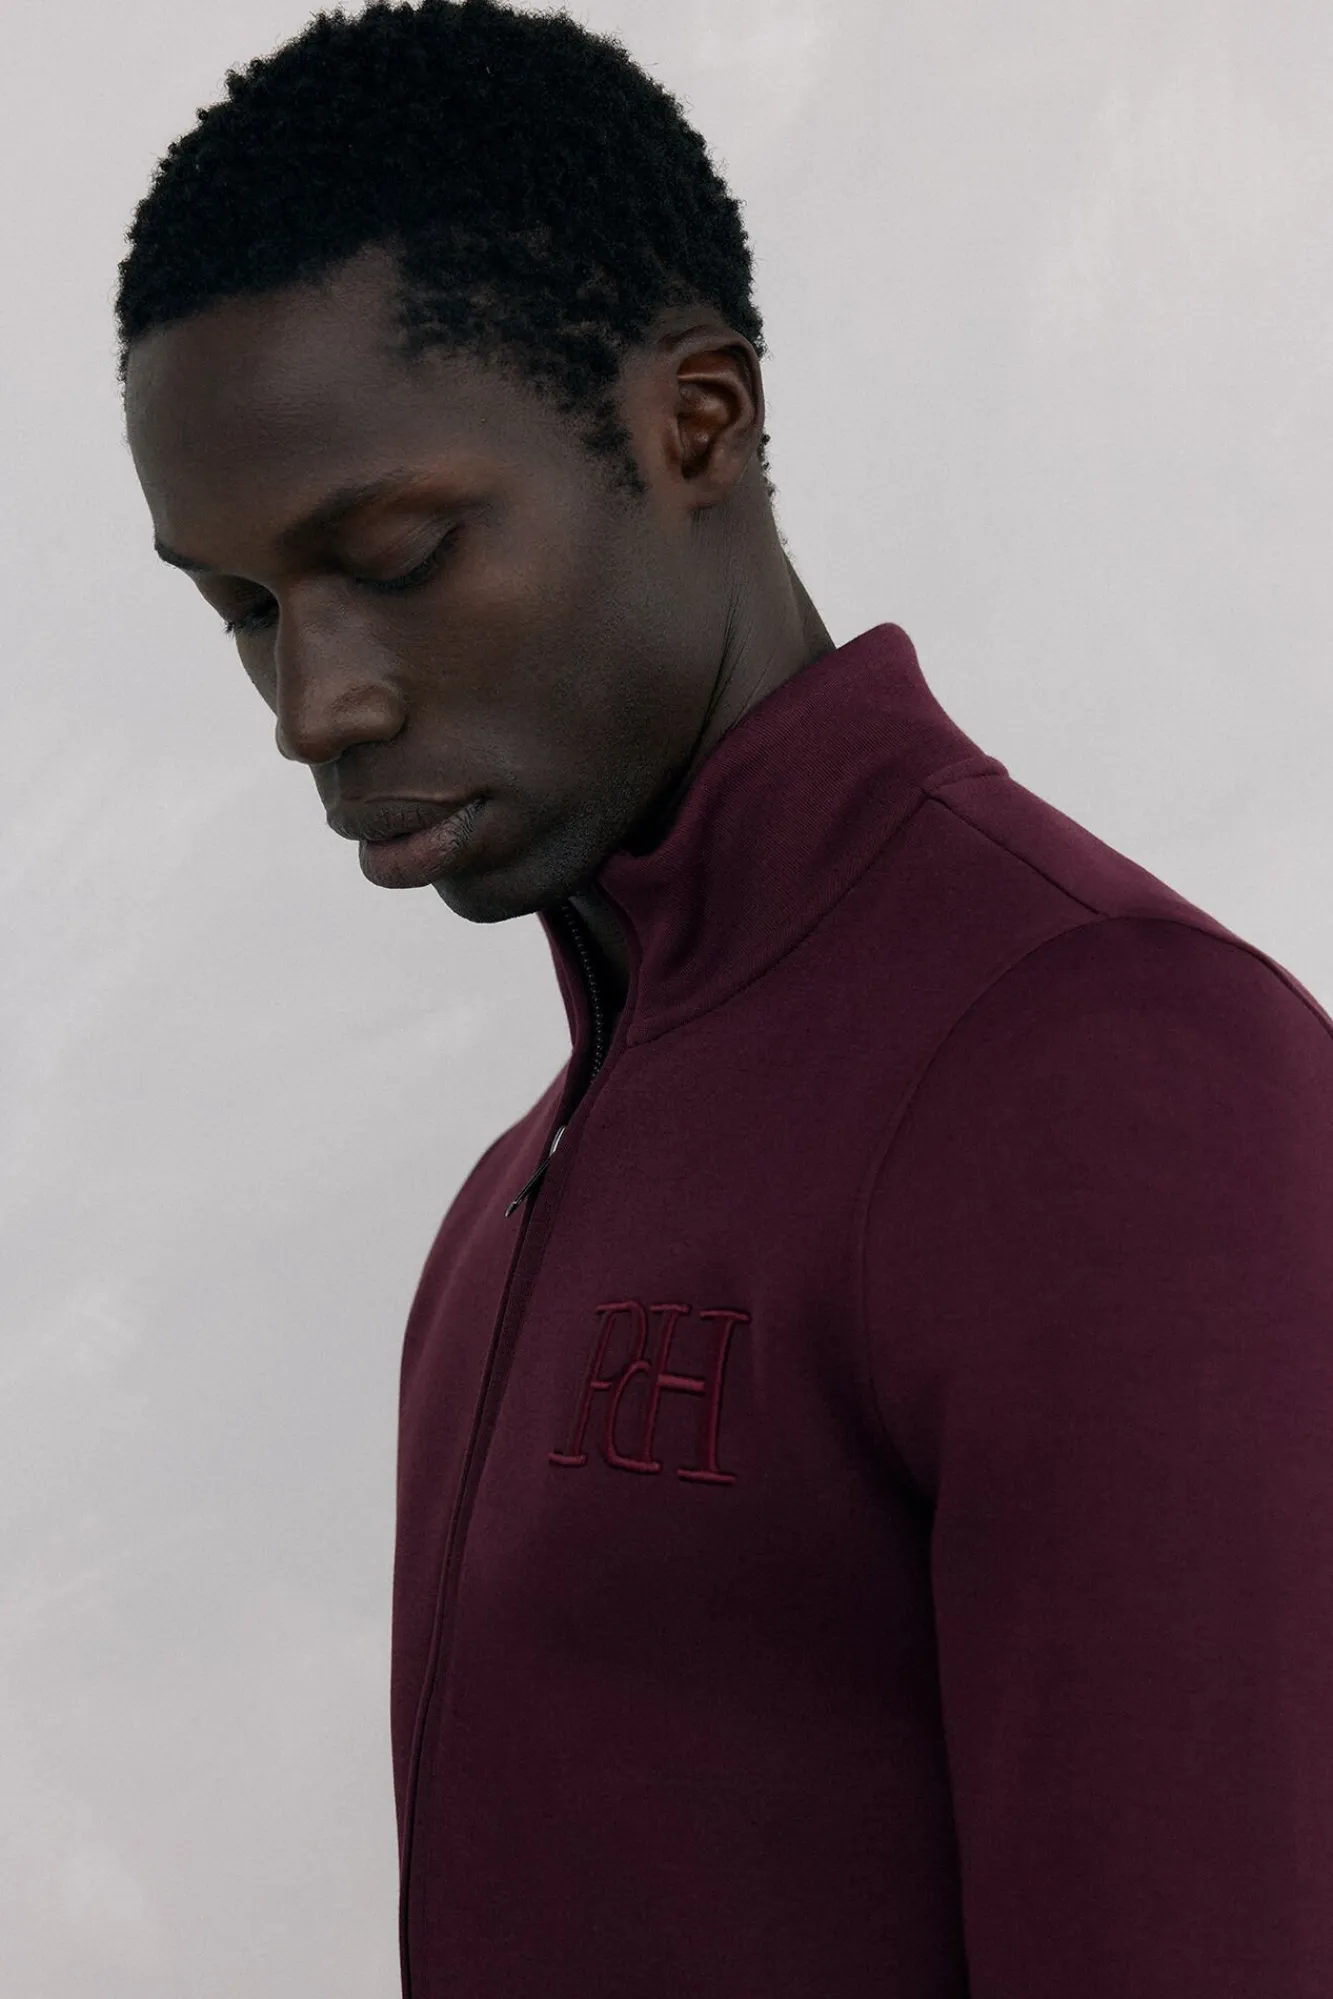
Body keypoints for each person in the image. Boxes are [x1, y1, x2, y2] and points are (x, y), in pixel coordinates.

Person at [116, 3, 1333, 1994]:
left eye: (400, 555)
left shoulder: (1114, 1072)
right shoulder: (508, 1207)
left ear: (698, 425)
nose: (312, 704)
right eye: (244, 608)